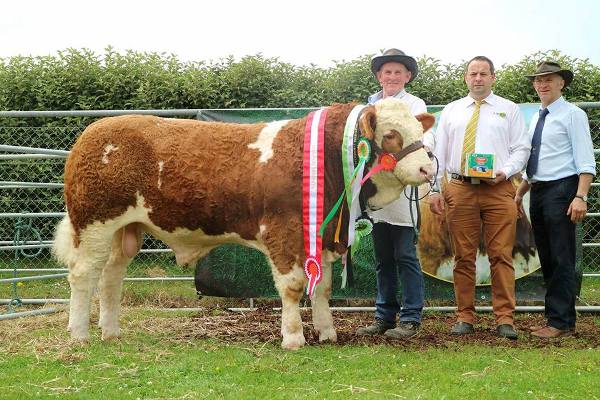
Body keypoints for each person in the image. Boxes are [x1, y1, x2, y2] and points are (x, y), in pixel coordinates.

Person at [429, 56, 530, 339]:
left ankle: (505, 319)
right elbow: (439, 153)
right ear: (465, 78)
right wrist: (436, 189)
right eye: (473, 74)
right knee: (463, 256)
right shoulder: (451, 110)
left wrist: (507, 171)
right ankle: (464, 316)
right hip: (460, 188)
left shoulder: (508, 109)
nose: (478, 79)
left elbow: (522, 148)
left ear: (493, 77)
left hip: (499, 189)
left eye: (483, 74)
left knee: (501, 255)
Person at [356, 48, 434, 339]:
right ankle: (384, 317)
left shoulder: (414, 104)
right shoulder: (369, 107)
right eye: (387, 72)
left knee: (405, 254)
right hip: (376, 190)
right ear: (379, 76)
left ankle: (411, 318)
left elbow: (426, 139)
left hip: (402, 191)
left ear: (407, 77)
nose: (392, 77)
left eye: (398, 72)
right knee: (382, 257)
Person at [515, 61, 596, 338]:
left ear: (562, 83)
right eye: (538, 80)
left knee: (561, 256)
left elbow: (586, 160)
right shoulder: (538, 116)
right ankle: (557, 318)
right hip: (538, 190)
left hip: (562, 190)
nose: (542, 84)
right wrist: (522, 189)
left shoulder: (572, 115)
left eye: (549, 79)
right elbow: (539, 160)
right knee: (547, 256)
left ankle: (561, 322)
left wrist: (580, 196)